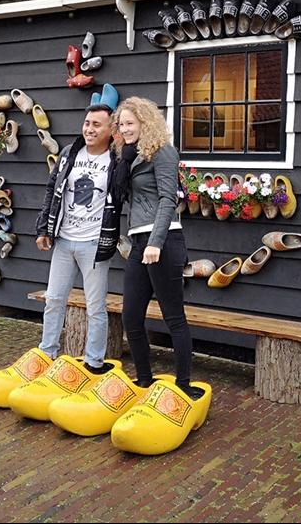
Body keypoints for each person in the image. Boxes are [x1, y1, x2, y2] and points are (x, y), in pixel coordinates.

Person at [113, 96, 203, 400]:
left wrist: (156, 241)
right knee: (131, 316)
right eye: (121, 124)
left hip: (162, 242)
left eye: (130, 123)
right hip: (139, 242)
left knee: (173, 316)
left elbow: (169, 199)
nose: (124, 128)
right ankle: (145, 380)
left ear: (145, 122)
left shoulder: (163, 152)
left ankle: (183, 385)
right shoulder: (130, 156)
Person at [35, 103, 121, 375]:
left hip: (95, 245)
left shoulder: (118, 160)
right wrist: (43, 228)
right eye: (87, 123)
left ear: (111, 129)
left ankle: (93, 362)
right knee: (54, 299)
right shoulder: (69, 153)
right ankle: (46, 354)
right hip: (63, 240)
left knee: (96, 307)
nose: (89, 129)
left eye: (97, 124)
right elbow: (52, 189)